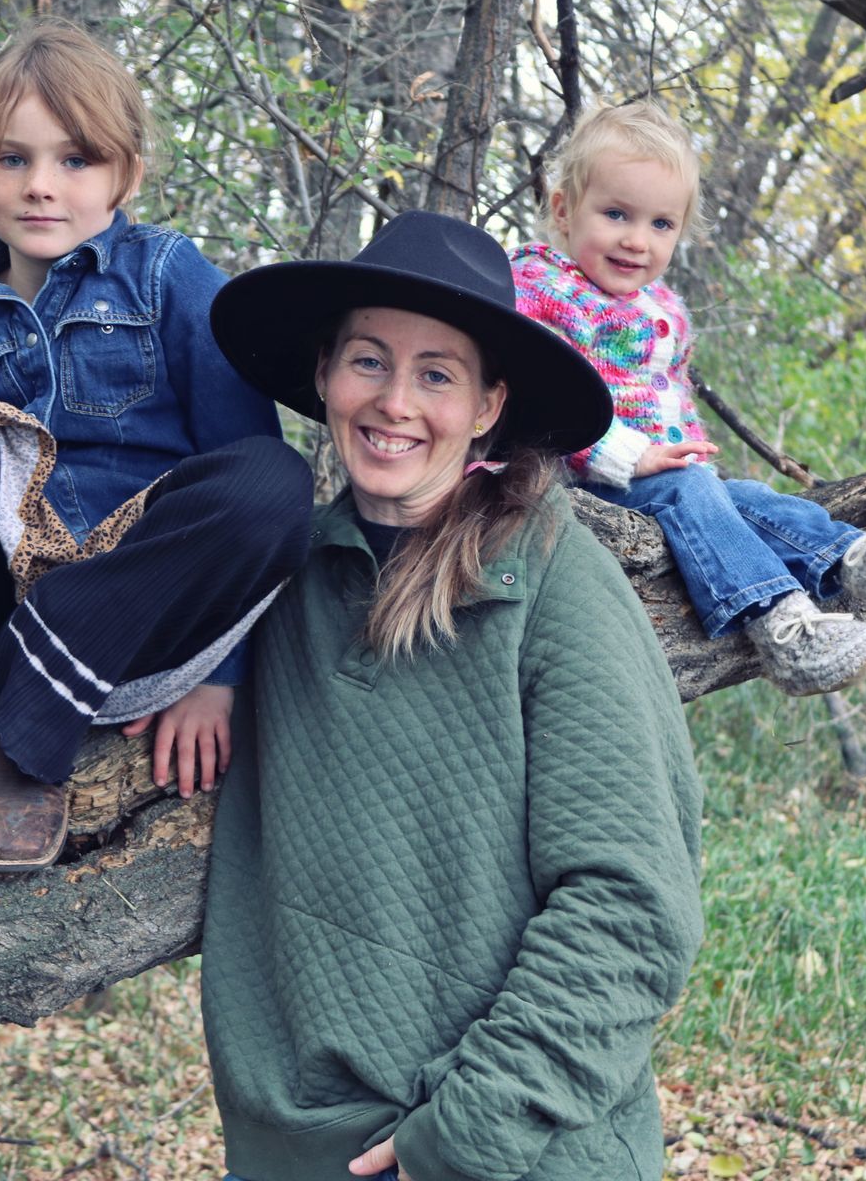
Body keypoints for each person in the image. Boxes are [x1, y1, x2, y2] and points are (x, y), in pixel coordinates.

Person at [203, 211, 704, 1181]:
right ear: (323, 374)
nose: (395, 401)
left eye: (437, 372)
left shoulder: (555, 581)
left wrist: (463, 1132)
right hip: (290, 1148)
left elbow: (633, 906)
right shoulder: (279, 575)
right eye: (369, 360)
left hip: (504, 1149)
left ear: (487, 405)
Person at [0, 17, 311, 872]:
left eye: (76, 160)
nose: (42, 186)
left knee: (275, 478)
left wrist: (224, 678)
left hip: (121, 631)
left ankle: (27, 732)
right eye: (13, 158)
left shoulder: (167, 277)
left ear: (126, 174)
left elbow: (246, 500)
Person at [511, 101, 866, 696]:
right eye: (615, 214)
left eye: (661, 224)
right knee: (695, 489)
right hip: (577, 481)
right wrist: (629, 457)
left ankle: (863, 568)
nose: (637, 241)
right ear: (563, 209)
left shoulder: (660, 306)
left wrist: (683, 463)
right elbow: (541, 399)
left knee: (749, 497)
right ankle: (785, 629)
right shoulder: (546, 289)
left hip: (659, 478)